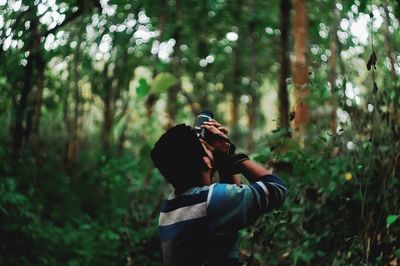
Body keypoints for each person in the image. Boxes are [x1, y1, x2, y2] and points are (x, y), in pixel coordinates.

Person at [150, 119, 287, 266]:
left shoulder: (168, 210)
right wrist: (231, 153)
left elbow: (230, 202)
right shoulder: (212, 201)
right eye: (208, 148)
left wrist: (222, 159)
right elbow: (277, 188)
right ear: (206, 162)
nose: (212, 149)